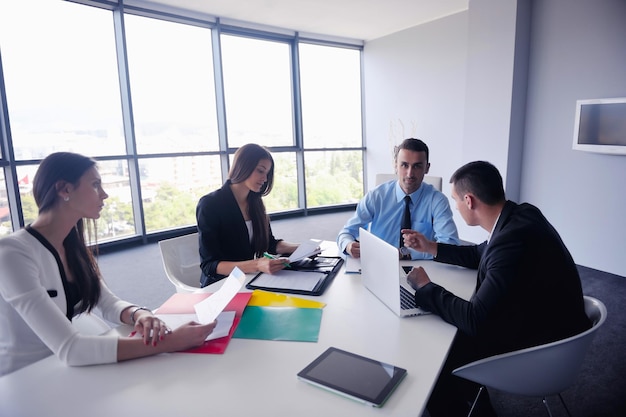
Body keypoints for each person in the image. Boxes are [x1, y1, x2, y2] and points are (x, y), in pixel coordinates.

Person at [0, 152, 217, 377]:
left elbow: (107, 303)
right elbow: (72, 349)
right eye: (95, 185)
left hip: (63, 371)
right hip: (24, 378)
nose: (104, 194)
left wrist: (139, 314)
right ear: (64, 189)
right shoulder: (12, 253)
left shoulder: (71, 245)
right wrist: (170, 342)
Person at [402, 161, 592, 416]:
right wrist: (431, 247)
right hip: (557, 327)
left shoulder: (509, 242)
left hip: (544, 352)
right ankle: (473, 400)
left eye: (456, 200)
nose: (456, 206)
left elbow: (475, 320)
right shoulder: (521, 215)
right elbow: (480, 254)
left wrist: (426, 288)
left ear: (469, 201)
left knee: (438, 353)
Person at [337, 138, 459, 260]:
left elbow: (450, 246)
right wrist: (348, 245)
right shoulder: (375, 196)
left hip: (422, 269)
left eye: (417, 166)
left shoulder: (437, 201)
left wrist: (406, 253)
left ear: (427, 168)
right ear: (395, 165)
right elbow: (346, 233)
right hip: (380, 264)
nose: (410, 173)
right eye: (404, 165)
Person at [196, 143, 299, 287]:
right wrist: (257, 265)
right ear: (243, 166)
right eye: (260, 171)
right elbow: (210, 266)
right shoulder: (210, 204)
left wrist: (300, 248)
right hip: (221, 285)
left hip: (246, 279)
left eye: (267, 174)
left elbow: (270, 244)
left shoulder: (255, 203)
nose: (265, 178)